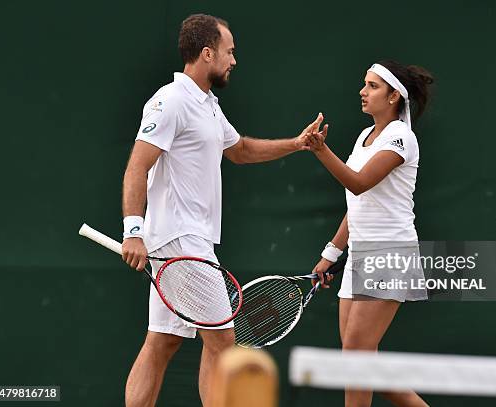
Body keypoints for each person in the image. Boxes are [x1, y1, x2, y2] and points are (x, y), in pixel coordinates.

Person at [120, 14, 322, 407]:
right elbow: (136, 166)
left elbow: (240, 150)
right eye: (229, 52)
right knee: (224, 341)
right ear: (207, 53)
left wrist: (298, 144)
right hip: (182, 240)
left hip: (186, 241)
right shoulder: (171, 101)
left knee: (161, 342)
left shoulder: (207, 104)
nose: (234, 60)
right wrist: (133, 230)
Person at [306, 60, 434, 407]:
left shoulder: (400, 137)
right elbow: (356, 205)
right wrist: (331, 253)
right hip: (360, 256)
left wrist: (321, 150)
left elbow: (359, 184)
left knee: (357, 356)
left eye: (373, 86)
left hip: (390, 253)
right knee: (359, 360)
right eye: (365, 84)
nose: (363, 92)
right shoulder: (365, 137)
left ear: (395, 96)